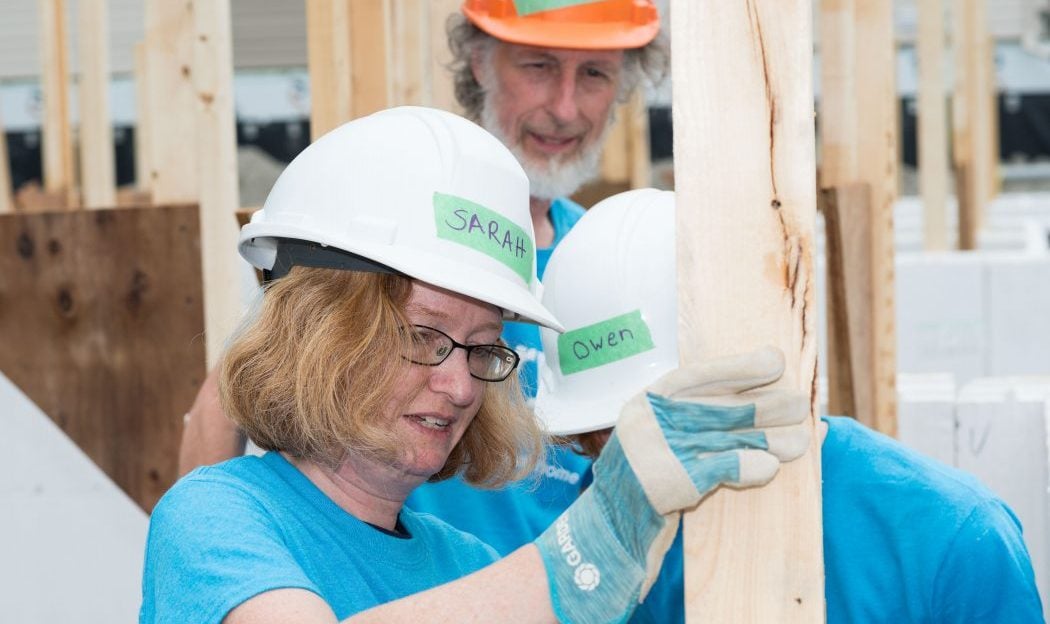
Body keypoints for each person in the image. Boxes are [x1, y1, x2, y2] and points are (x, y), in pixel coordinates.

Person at [141, 106, 811, 623]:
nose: (461, 385)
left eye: (485, 348)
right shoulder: (217, 518)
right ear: (322, 331)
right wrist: (593, 544)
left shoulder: (468, 566)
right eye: (426, 337)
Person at [178, 0, 670, 557]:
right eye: (538, 66)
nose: (563, 107)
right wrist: (206, 551)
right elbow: (226, 410)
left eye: (594, 74)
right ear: (480, 61)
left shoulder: (607, 268)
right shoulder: (373, 228)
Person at [534, 188, 1046, 623]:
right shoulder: (603, 542)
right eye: (597, 437)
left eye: (651, 424)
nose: (626, 460)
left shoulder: (951, 540)